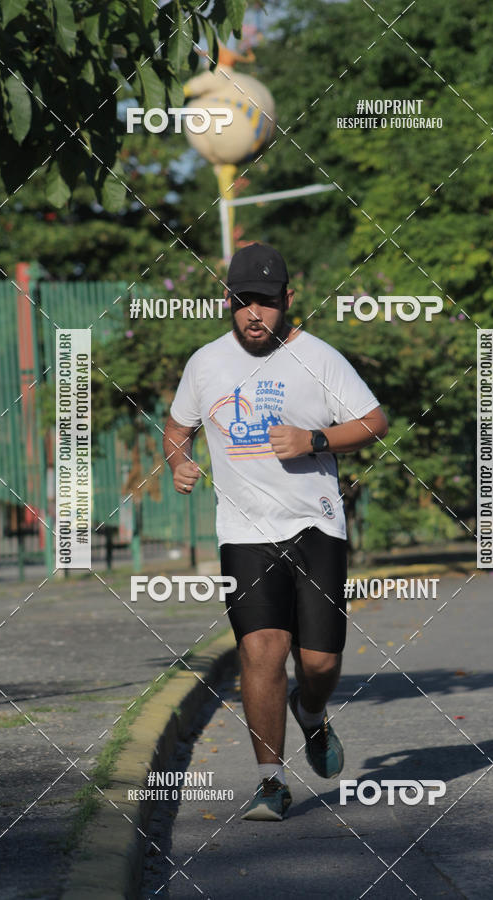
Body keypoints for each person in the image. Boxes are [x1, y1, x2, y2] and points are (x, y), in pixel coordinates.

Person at [163, 242, 388, 821]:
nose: (252, 314)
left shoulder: (320, 358)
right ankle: (270, 780)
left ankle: (310, 713)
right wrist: (178, 462)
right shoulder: (205, 363)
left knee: (318, 664)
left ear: (288, 301)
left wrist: (314, 440)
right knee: (261, 649)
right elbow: (176, 427)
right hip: (244, 532)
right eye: (242, 302)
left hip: (317, 524)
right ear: (227, 301)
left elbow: (373, 421)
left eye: (264, 302)